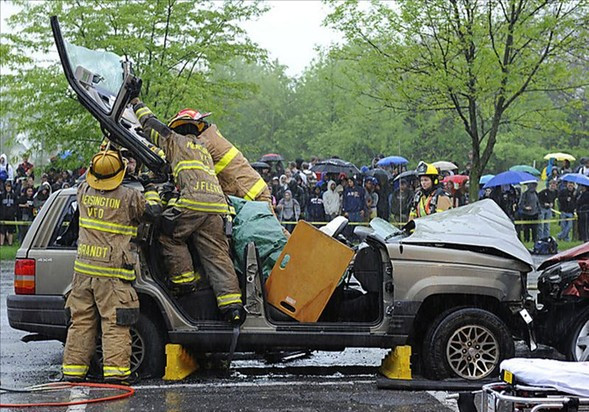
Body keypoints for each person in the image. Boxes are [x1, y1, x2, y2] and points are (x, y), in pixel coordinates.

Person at [131, 97, 244, 323]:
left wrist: (135, 102)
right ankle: (232, 306)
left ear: (178, 129)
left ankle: (184, 284)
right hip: (217, 206)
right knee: (217, 254)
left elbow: (152, 124)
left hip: (193, 202)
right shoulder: (203, 149)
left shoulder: (175, 141)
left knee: (169, 234)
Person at [61, 149, 161, 384]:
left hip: (83, 274)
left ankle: (73, 373)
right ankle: (116, 376)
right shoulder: (128, 197)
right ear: (121, 173)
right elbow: (154, 213)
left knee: (81, 323)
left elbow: (90, 175)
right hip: (113, 275)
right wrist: (151, 188)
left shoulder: (83, 191)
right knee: (116, 324)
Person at [1, 181, 18, 246]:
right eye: (7, 186)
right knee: (2, 231)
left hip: (11, 215)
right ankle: (1, 244)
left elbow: (16, 205)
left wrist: (14, 212)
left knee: (11, 230)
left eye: (9, 186)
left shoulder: (14, 195)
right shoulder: (1, 195)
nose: (8, 188)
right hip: (3, 215)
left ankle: (10, 244)